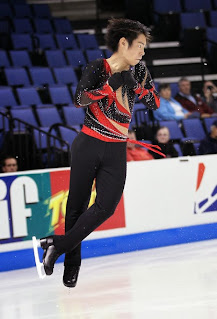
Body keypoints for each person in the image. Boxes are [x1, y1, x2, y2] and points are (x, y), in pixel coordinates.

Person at [39, 18, 165, 288]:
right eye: (140, 46)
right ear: (123, 43)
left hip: (116, 149)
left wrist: (139, 87)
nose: (143, 52)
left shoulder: (140, 70)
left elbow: (155, 103)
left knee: (106, 206)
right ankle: (71, 266)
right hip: (88, 144)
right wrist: (112, 84)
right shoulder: (99, 67)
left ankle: (56, 245)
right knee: (76, 207)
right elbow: (79, 99)